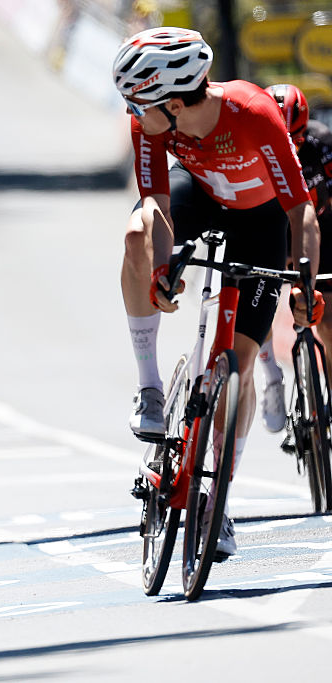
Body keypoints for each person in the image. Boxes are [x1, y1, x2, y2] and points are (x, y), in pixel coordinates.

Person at [114, 28, 321, 558]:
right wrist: (164, 266)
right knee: (135, 233)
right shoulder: (154, 126)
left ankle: (217, 498)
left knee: (240, 365)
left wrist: (304, 284)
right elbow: (156, 202)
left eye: (137, 102)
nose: (131, 113)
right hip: (199, 197)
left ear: (175, 102)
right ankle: (151, 387)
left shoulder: (253, 114)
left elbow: (301, 212)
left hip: (260, 221)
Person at [256, 84, 332, 433]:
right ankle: (272, 374)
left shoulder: (323, 144)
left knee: (328, 321)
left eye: (296, 139)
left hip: (320, 230)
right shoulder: (252, 146)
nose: (290, 147)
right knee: (258, 303)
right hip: (272, 230)